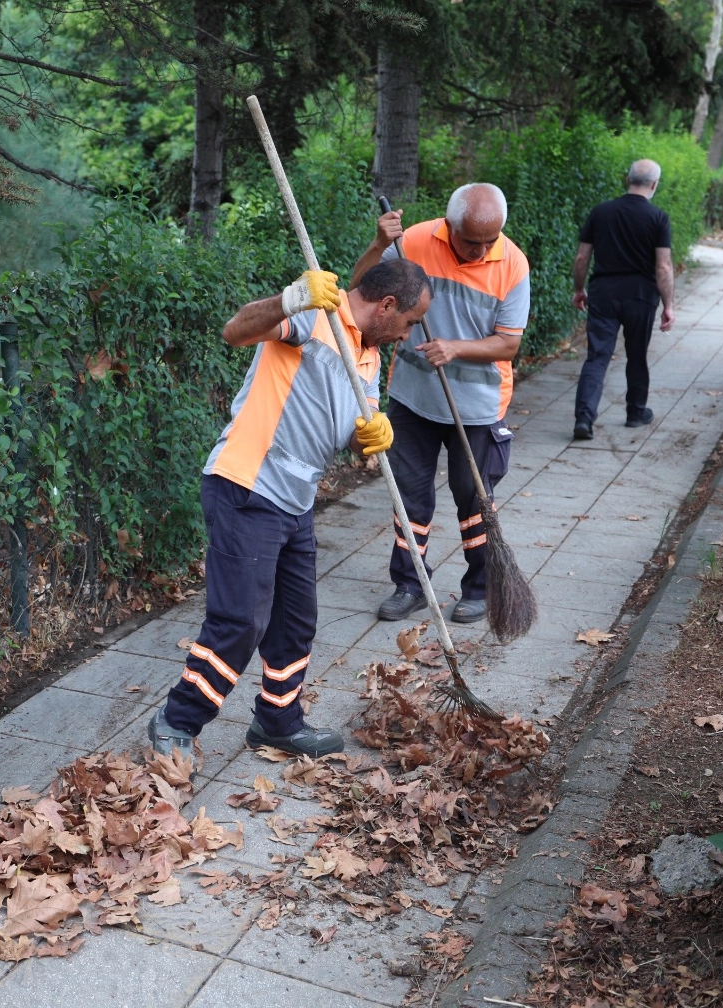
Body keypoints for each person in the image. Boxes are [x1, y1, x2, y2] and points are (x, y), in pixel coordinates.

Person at [149, 259, 433, 763]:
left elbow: (352, 427)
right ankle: (177, 720)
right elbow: (235, 331)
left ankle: (277, 722)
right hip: (247, 485)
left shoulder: (366, 355)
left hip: (296, 500)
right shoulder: (314, 315)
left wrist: (370, 436)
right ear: (387, 306)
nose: (409, 336)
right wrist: (289, 300)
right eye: (410, 323)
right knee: (239, 622)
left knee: (295, 622)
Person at [349, 183, 529, 626]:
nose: (482, 249)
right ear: (449, 226)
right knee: (409, 495)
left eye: (491, 240)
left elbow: (508, 344)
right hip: (413, 398)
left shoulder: (512, 263)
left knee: (474, 499)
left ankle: (481, 588)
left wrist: (455, 348)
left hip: (479, 406)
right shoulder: (413, 242)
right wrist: (379, 244)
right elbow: (359, 293)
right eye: (472, 241)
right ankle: (410, 584)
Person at [570, 159, 675, 439]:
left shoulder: (601, 212)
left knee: (597, 356)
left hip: (604, 293)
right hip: (641, 296)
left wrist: (579, 289)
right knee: (636, 354)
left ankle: (584, 418)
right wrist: (669, 305)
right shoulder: (658, 218)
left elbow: (582, 256)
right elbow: (663, 266)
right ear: (654, 184)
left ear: (627, 179)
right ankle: (635, 412)